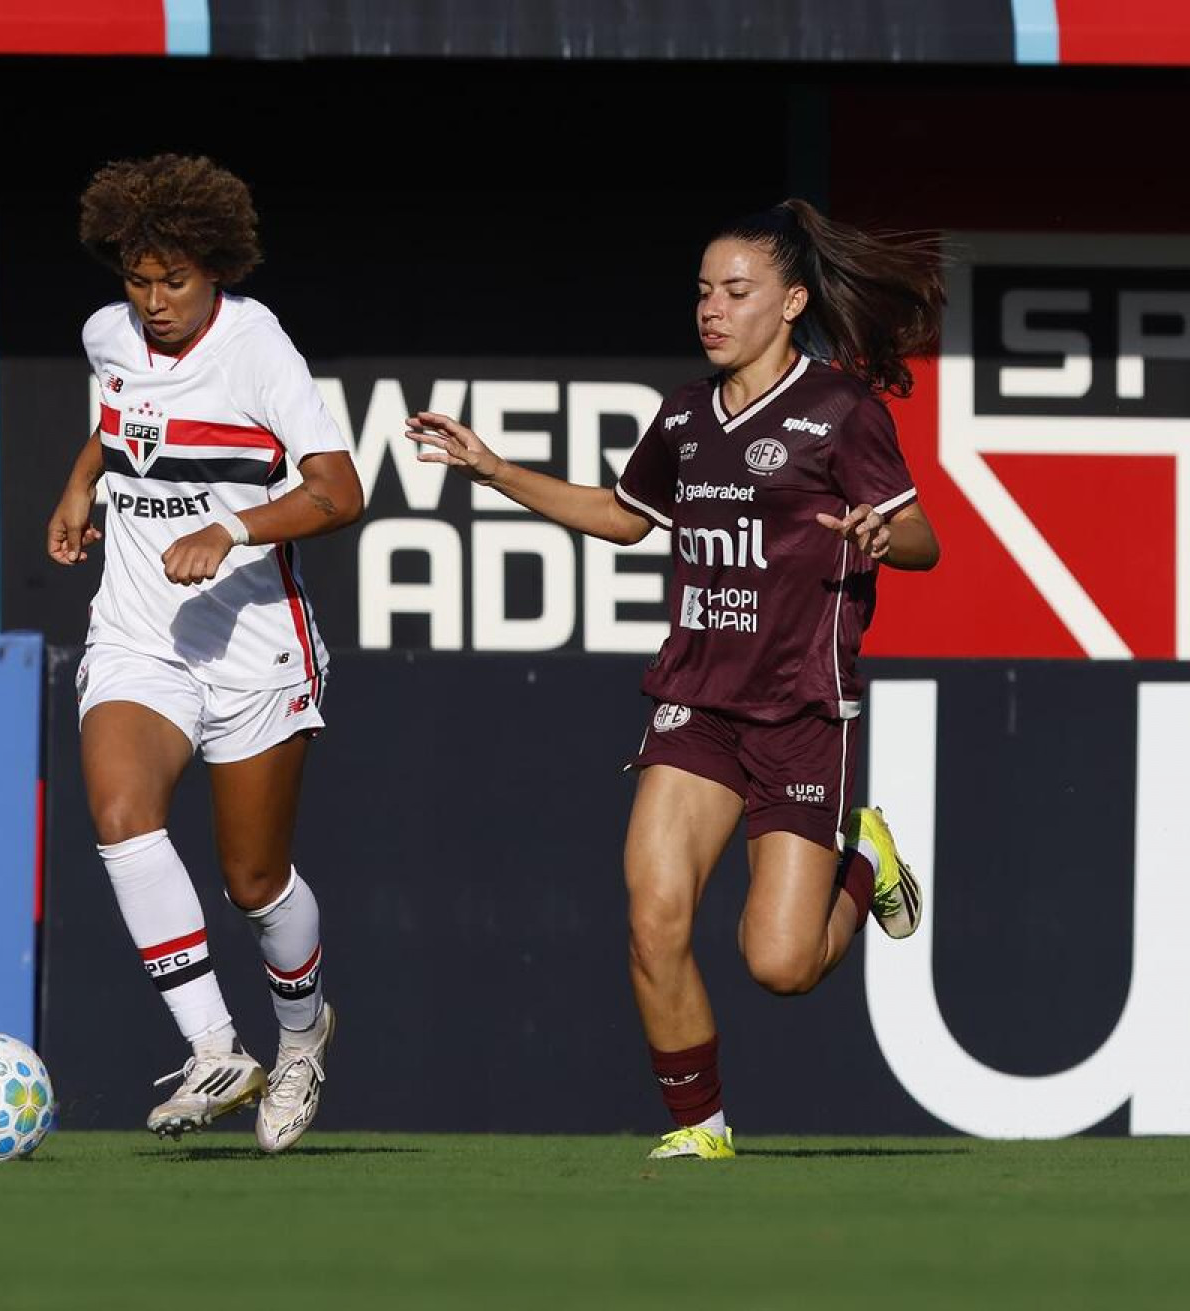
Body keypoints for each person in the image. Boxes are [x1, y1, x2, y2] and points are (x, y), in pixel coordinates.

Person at [405, 199, 941, 1160]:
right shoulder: (686, 414)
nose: (712, 308)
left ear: (790, 304)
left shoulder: (843, 411)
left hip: (803, 714)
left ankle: (867, 860)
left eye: (736, 291)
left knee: (780, 965)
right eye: (703, 291)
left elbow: (923, 540)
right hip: (695, 708)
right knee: (653, 917)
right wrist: (490, 467)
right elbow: (623, 516)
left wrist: (877, 532)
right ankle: (700, 1129)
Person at [49, 154, 364, 1151]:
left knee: (253, 881)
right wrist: (78, 485)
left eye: (173, 281)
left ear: (216, 268)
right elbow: (117, 420)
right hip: (139, 635)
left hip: (255, 646)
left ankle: (303, 1032)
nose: (153, 303)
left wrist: (230, 530)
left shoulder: (255, 344)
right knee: (120, 811)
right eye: (136, 280)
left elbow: (340, 492)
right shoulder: (110, 336)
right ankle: (216, 1047)